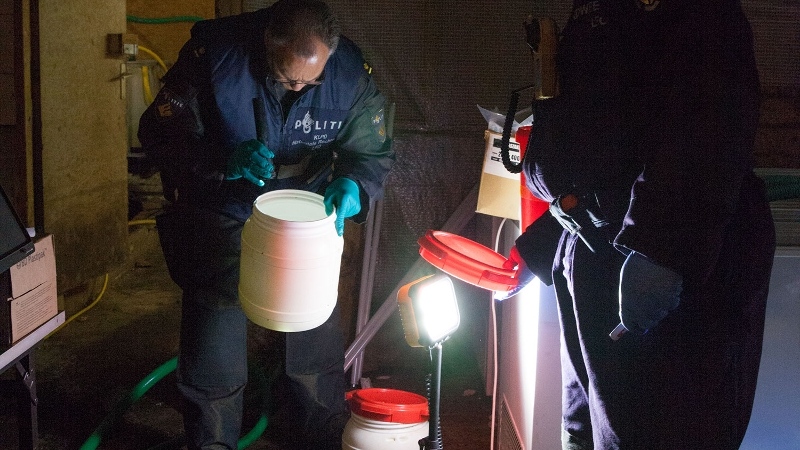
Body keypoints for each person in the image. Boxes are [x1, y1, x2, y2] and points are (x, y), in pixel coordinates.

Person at [506, 0, 776, 448]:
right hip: (596, 251)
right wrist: (544, 242)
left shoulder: (699, 14)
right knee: (588, 434)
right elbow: (608, 139)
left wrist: (660, 250)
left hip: (666, 270)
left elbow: (709, 123)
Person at [137, 1, 395, 449]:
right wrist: (222, 160)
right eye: (285, 77)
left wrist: (354, 183)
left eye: (309, 80)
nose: (298, 86)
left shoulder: (349, 70)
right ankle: (212, 440)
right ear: (264, 43)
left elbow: (370, 151)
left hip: (305, 211)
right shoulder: (213, 55)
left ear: (328, 56)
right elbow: (158, 134)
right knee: (216, 322)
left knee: (311, 319)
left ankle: (318, 431)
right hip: (224, 205)